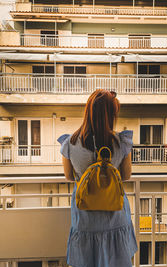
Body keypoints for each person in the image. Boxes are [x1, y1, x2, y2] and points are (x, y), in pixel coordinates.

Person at [57, 89, 138, 267]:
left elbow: (70, 177)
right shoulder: (121, 142)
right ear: (111, 114)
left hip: (85, 218)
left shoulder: (70, 143)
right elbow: (125, 176)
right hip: (115, 217)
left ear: (88, 111)